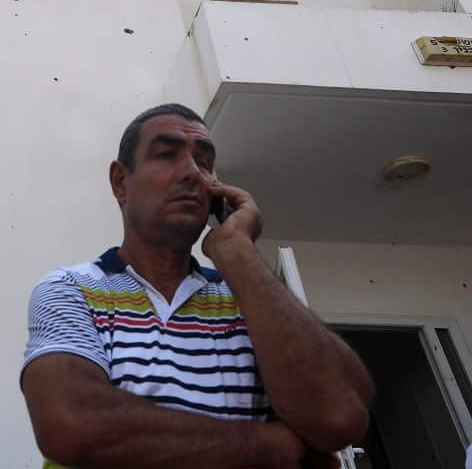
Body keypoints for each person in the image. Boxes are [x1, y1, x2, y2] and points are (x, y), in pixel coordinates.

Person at [21, 104, 373, 469]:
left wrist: (237, 251)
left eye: (204, 162)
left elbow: (337, 418)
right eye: (166, 154)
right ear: (120, 181)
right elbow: (74, 424)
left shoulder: (252, 299)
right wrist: (271, 446)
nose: (193, 173)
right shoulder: (73, 288)